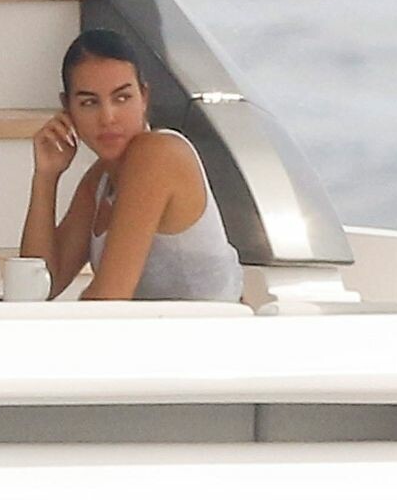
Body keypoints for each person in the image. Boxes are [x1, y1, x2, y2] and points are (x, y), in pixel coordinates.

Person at [19, 28, 243, 302]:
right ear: (68, 109)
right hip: (154, 329)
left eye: (122, 98)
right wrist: (45, 177)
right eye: (89, 102)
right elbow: (36, 289)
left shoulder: (159, 154)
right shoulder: (99, 180)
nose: (108, 117)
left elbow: (109, 298)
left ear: (144, 97)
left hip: (214, 329)